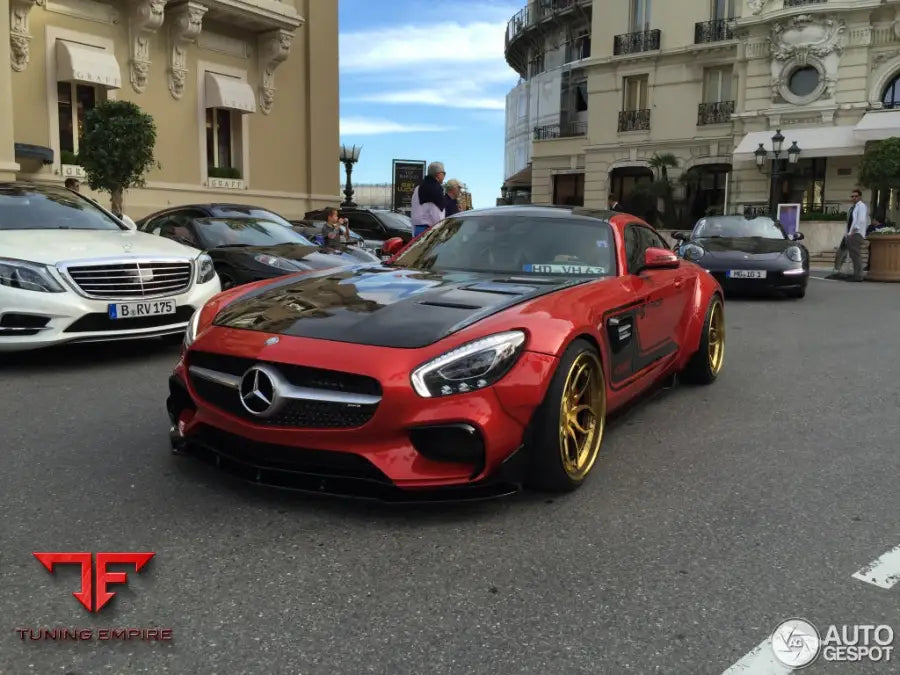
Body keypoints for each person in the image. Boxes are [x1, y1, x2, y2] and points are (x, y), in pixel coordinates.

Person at [828, 189, 868, 281]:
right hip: (849, 234)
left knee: (855, 255)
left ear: (860, 197)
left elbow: (861, 220)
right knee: (841, 252)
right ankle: (838, 272)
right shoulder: (852, 208)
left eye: (856, 196)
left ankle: (858, 275)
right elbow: (849, 222)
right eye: (852, 196)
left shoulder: (861, 206)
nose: (854, 198)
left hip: (856, 234)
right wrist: (847, 234)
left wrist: (854, 231)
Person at [411, 162, 446, 237]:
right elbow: (438, 214)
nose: (444, 176)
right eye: (444, 173)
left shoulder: (418, 188)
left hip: (417, 230)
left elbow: (414, 209)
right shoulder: (436, 189)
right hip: (430, 232)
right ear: (438, 174)